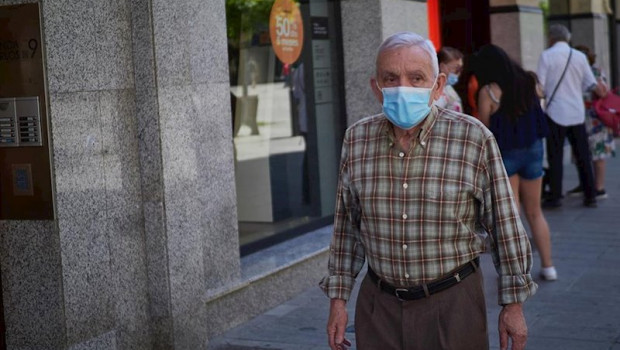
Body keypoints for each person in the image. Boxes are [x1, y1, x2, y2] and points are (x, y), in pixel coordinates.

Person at [320, 32, 537, 350]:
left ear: (438, 86)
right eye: (390, 78)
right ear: (376, 87)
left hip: (453, 304)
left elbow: (505, 225)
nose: (402, 87)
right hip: (378, 307)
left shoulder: (473, 138)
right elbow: (347, 229)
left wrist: (514, 305)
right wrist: (338, 301)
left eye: (416, 77)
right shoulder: (357, 139)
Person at [475, 44, 557, 281]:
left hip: (506, 154)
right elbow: (539, 102)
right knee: (536, 212)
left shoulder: (488, 91)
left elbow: (486, 128)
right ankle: (549, 267)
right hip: (533, 150)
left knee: (512, 215)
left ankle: (516, 272)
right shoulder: (529, 81)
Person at [536, 24, 607, 208]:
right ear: (567, 38)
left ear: (551, 38)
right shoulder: (580, 56)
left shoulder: (546, 56)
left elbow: (540, 87)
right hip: (576, 112)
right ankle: (590, 195)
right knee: (583, 154)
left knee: (555, 156)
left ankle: (556, 196)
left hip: (555, 112)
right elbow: (591, 84)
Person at [568, 45, 615, 199]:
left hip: (596, 119)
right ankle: (584, 184)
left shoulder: (595, 71)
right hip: (579, 116)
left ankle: (599, 187)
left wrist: (590, 82)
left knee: (598, 153)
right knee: (580, 153)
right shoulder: (573, 70)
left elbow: (603, 91)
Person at [435, 46, 464, 112]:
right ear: (442, 67)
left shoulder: (449, 88)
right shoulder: (434, 91)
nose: (459, 73)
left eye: (460, 70)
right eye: (456, 69)